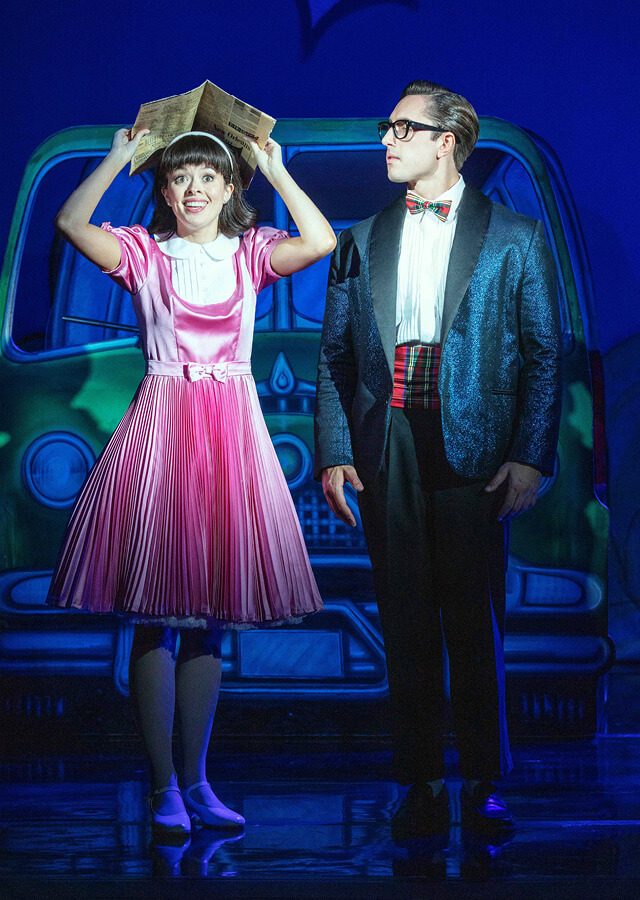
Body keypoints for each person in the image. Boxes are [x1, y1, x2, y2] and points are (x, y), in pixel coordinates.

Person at [48, 125, 335, 836]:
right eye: (181, 178)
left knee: (209, 621)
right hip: (164, 433)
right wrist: (118, 158)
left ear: (230, 187)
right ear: (167, 192)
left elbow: (321, 240)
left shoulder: (251, 252)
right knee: (156, 614)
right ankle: (163, 786)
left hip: (230, 433)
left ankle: (199, 781)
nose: (195, 189)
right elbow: (72, 224)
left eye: (208, 177)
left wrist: (276, 169)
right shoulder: (144, 254)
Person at [314, 80, 562, 838]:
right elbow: (334, 359)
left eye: (402, 129)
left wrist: (530, 455)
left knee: (474, 617)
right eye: (387, 129)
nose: (387, 141)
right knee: (405, 618)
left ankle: (484, 779)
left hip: (475, 443)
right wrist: (334, 451)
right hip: (387, 439)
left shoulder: (515, 237)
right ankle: (418, 781)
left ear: (445, 141)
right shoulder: (361, 239)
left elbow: (545, 356)